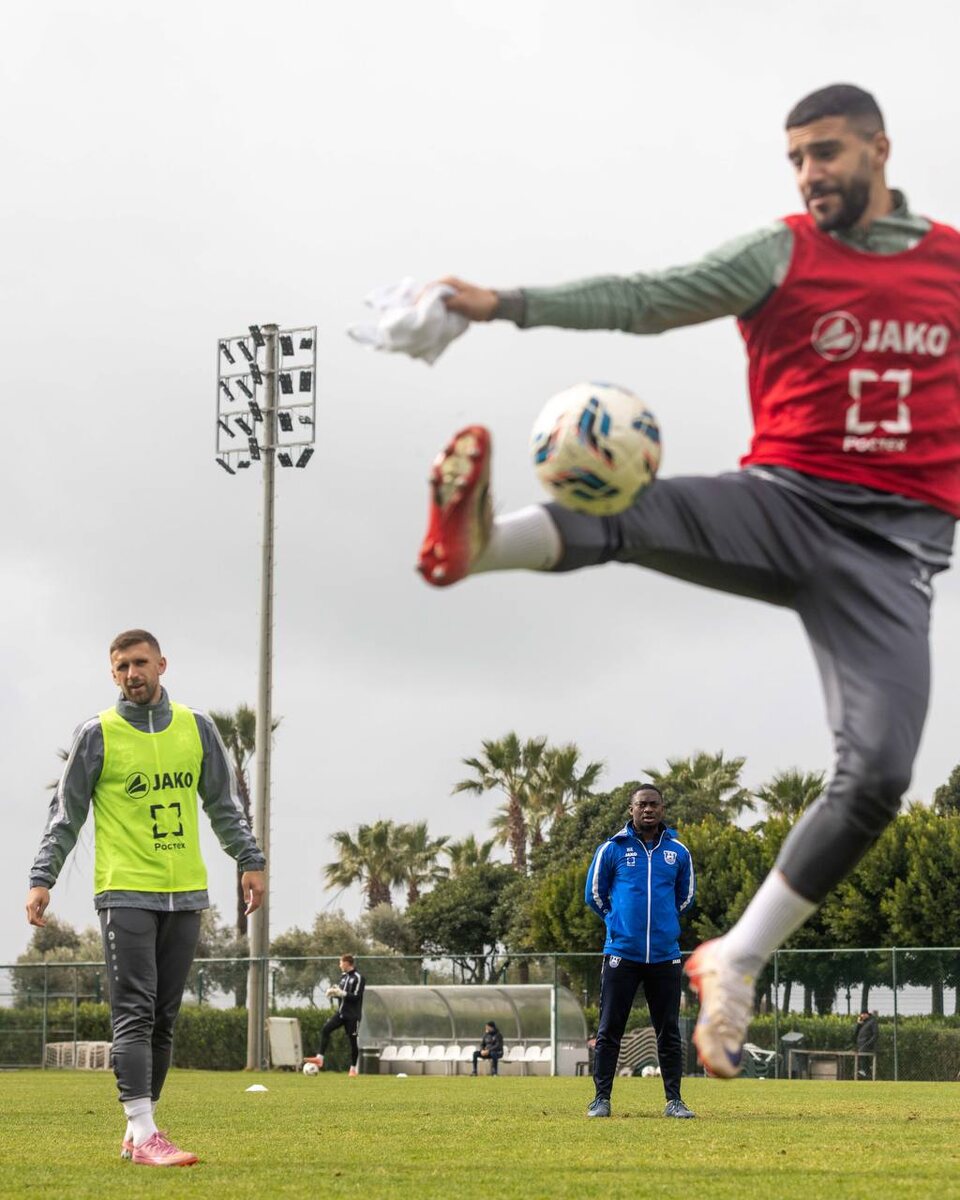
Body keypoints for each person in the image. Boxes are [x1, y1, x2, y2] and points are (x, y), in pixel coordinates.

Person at [414, 83, 960, 1079]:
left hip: (892, 557)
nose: (809, 174)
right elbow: (647, 297)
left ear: (879, 148)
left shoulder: (951, 266)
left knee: (879, 776)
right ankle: (476, 544)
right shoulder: (780, 252)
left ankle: (736, 957)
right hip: (787, 503)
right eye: (796, 158)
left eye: (826, 153)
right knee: (637, 510)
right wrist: (504, 305)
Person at [24, 629, 266, 1167]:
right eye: (121, 667)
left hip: (186, 895)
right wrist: (43, 878)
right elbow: (66, 813)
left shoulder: (196, 727)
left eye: (140, 663)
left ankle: (139, 1132)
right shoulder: (97, 734)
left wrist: (249, 861)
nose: (132, 674)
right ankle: (145, 1130)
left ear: (161, 664)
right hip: (125, 892)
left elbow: (223, 805)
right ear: (112, 674)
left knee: (163, 1020)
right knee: (133, 1013)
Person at [583, 786, 696, 1118]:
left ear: (663, 808)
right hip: (622, 953)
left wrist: (665, 921)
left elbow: (686, 897)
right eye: (642, 804)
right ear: (631, 809)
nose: (648, 809)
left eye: (653, 804)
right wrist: (616, 921)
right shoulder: (612, 849)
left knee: (668, 1031)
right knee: (609, 1029)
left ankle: (674, 1101)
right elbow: (594, 895)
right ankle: (601, 1099)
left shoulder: (678, 852)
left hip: (665, 955)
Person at [304, 953, 365, 1076]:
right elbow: (341, 995)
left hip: (353, 1016)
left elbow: (356, 997)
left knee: (353, 1041)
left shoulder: (358, 978)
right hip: (341, 1013)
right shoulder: (343, 977)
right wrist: (333, 992)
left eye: (341, 963)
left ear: (347, 963)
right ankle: (320, 1058)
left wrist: (341, 993)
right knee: (325, 1029)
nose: (339, 965)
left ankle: (353, 1069)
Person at [854, 1009, 879, 1077]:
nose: (862, 1016)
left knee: (863, 1053)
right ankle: (866, 1070)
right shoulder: (862, 1023)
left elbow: (876, 1035)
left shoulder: (873, 1021)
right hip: (860, 1045)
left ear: (867, 1014)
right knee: (861, 1055)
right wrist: (858, 1024)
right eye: (861, 1014)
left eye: (863, 1014)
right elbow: (854, 1034)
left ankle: (864, 1070)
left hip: (867, 1046)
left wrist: (868, 1044)